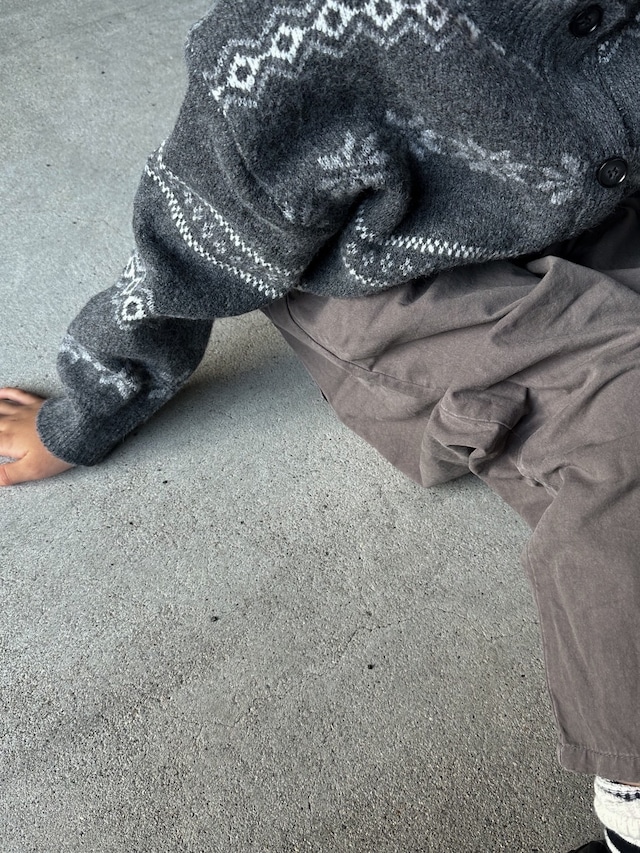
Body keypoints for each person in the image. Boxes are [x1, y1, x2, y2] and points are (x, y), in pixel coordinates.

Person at [1, 2, 640, 850]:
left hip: (596, 206)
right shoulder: (304, 26)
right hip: (399, 282)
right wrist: (87, 407)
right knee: (622, 420)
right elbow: (196, 237)